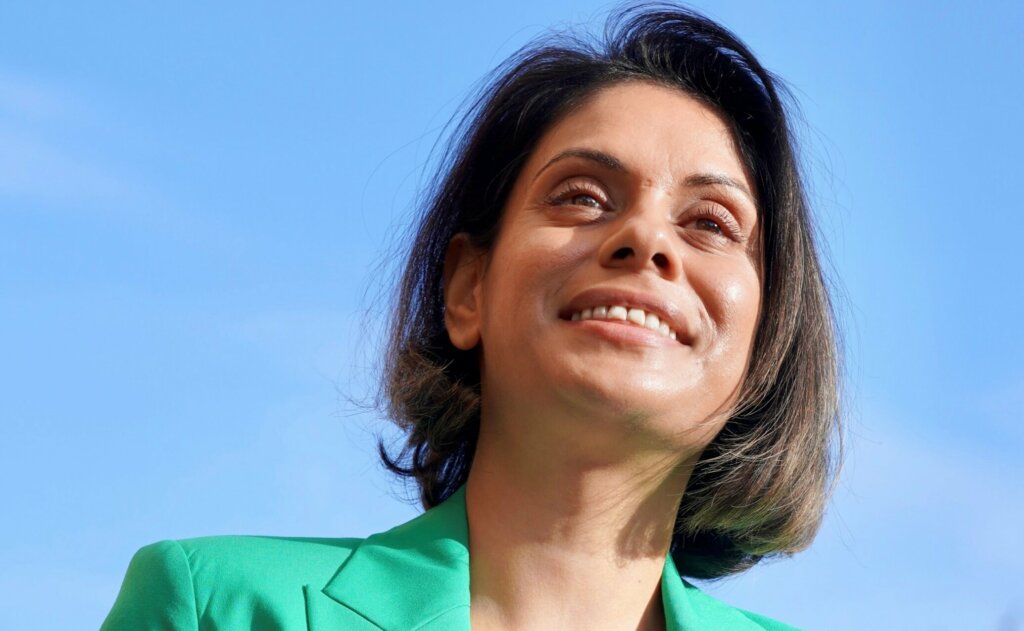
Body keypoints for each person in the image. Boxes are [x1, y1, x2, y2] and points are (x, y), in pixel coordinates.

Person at [102, 5, 840, 630]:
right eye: (582, 195)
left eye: (710, 222)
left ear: (766, 344)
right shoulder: (216, 606)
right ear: (467, 288)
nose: (645, 238)